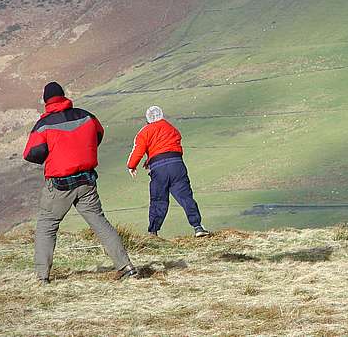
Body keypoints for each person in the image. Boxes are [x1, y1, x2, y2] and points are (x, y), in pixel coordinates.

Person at [23, 82, 136, 284]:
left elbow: (32, 153)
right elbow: (98, 134)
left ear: (46, 101)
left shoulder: (44, 125)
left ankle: (42, 277)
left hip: (59, 184)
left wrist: (54, 154)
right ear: (64, 96)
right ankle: (126, 266)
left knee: (47, 226)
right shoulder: (86, 116)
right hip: (86, 180)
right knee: (100, 223)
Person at [127, 106, 210, 238]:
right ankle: (198, 227)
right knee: (186, 197)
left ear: (148, 119)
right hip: (177, 165)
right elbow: (169, 147)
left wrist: (131, 166)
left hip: (159, 169)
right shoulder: (171, 128)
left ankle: (153, 233)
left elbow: (138, 150)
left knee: (158, 200)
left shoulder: (144, 132)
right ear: (161, 115)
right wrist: (151, 159)